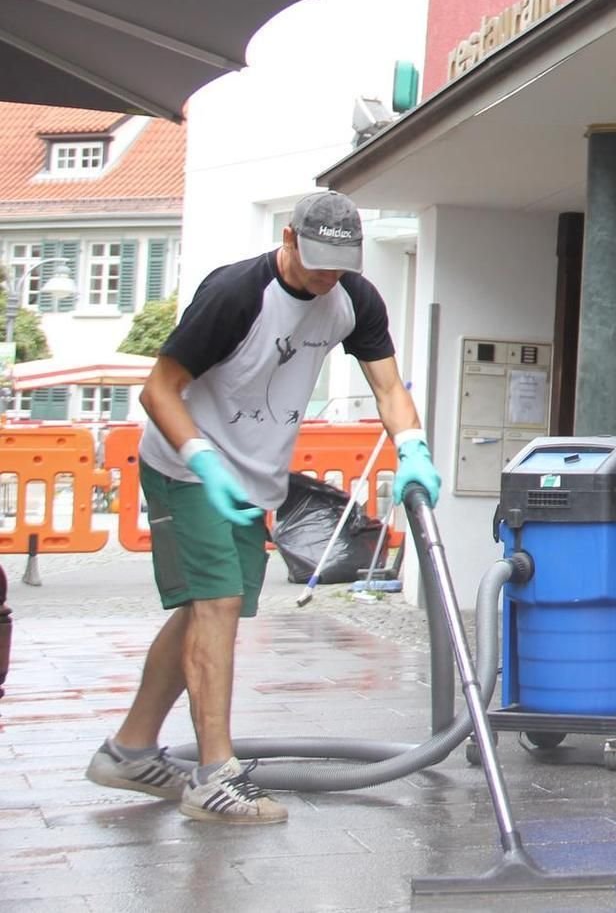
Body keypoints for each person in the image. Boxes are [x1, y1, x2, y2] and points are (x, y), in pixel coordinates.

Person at [83, 191, 441, 824]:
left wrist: (412, 447)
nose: (328, 274)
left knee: (210, 608)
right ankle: (214, 777)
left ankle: (130, 750)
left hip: (254, 479)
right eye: (318, 258)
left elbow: (387, 386)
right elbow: (158, 388)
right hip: (186, 467)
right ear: (288, 236)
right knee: (216, 603)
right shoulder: (237, 294)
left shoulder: (353, 299)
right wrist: (200, 459)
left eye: (341, 261)